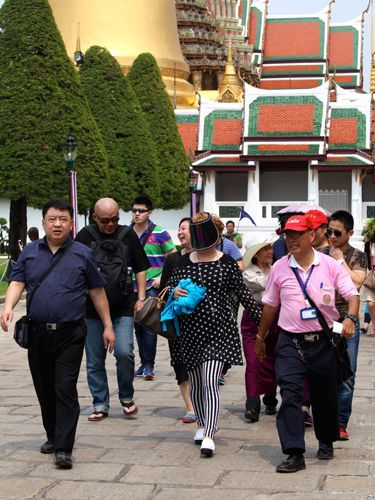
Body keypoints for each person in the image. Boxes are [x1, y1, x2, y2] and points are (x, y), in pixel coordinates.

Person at [0, 200, 115, 470]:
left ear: (71, 223)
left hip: (70, 334)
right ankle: (52, 436)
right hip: (38, 333)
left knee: (64, 388)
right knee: (45, 388)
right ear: (43, 222)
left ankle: (64, 448)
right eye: (52, 219)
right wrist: (8, 308)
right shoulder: (30, 252)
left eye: (63, 219)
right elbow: (17, 282)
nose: (57, 224)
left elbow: (97, 292)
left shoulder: (82, 254)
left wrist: (108, 325)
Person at [255, 214, 359, 473]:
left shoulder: (330, 265)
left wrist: (351, 318)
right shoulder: (280, 267)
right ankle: (293, 452)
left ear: (312, 236)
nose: (292, 240)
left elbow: (352, 294)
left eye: (298, 234)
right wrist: (261, 337)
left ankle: (326, 440)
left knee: (325, 395)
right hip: (290, 342)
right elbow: (270, 305)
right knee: (290, 394)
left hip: (324, 342)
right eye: (288, 235)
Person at [167, 212, 262, 457]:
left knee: (210, 381)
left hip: (219, 331)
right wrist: (175, 292)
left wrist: (265, 324)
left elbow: (244, 296)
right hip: (190, 332)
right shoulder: (184, 262)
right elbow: (171, 289)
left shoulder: (227, 264)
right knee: (197, 384)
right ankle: (201, 423)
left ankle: (210, 433)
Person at [75, 198, 149, 421]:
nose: (110, 224)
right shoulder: (84, 237)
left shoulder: (127, 235)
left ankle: (126, 396)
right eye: (105, 220)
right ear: (95, 217)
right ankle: (100, 403)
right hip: (91, 310)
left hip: (123, 306)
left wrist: (142, 298)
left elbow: (141, 268)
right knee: (95, 360)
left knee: (125, 353)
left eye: (115, 219)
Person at [327, 210, 367, 440]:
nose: (331, 236)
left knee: (347, 372)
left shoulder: (358, 256)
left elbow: (358, 281)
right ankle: (322, 415)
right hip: (323, 319)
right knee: (322, 369)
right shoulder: (320, 253)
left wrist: (340, 260)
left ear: (350, 233)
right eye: (328, 231)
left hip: (347, 320)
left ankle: (341, 422)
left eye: (336, 232)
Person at [131, 196, 176, 380]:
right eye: (134, 210)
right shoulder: (126, 233)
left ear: (149, 212)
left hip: (151, 286)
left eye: (141, 210)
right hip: (131, 288)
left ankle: (149, 365)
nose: (137, 214)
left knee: (149, 325)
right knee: (137, 327)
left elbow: (172, 257)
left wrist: (161, 277)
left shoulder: (160, 232)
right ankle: (143, 363)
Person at [160, 217, 196, 423]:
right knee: (180, 362)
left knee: (200, 365)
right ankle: (190, 407)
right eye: (180, 228)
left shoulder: (206, 257)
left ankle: (202, 401)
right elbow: (162, 292)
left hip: (201, 321)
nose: (181, 232)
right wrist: (173, 293)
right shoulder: (172, 259)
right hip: (177, 322)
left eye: (186, 229)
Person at [241, 236, 279, 422]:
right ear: (256, 254)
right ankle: (252, 403)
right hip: (253, 319)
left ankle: (270, 397)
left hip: (274, 318)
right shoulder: (248, 273)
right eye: (266, 249)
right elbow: (268, 286)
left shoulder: (275, 270)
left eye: (271, 248)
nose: (270, 252)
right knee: (254, 360)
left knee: (271, 359)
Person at [363, 231, 375, 336]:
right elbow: (366, 260)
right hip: (373, 275)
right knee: (370, 303)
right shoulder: (369, 244)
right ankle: (374, 326)